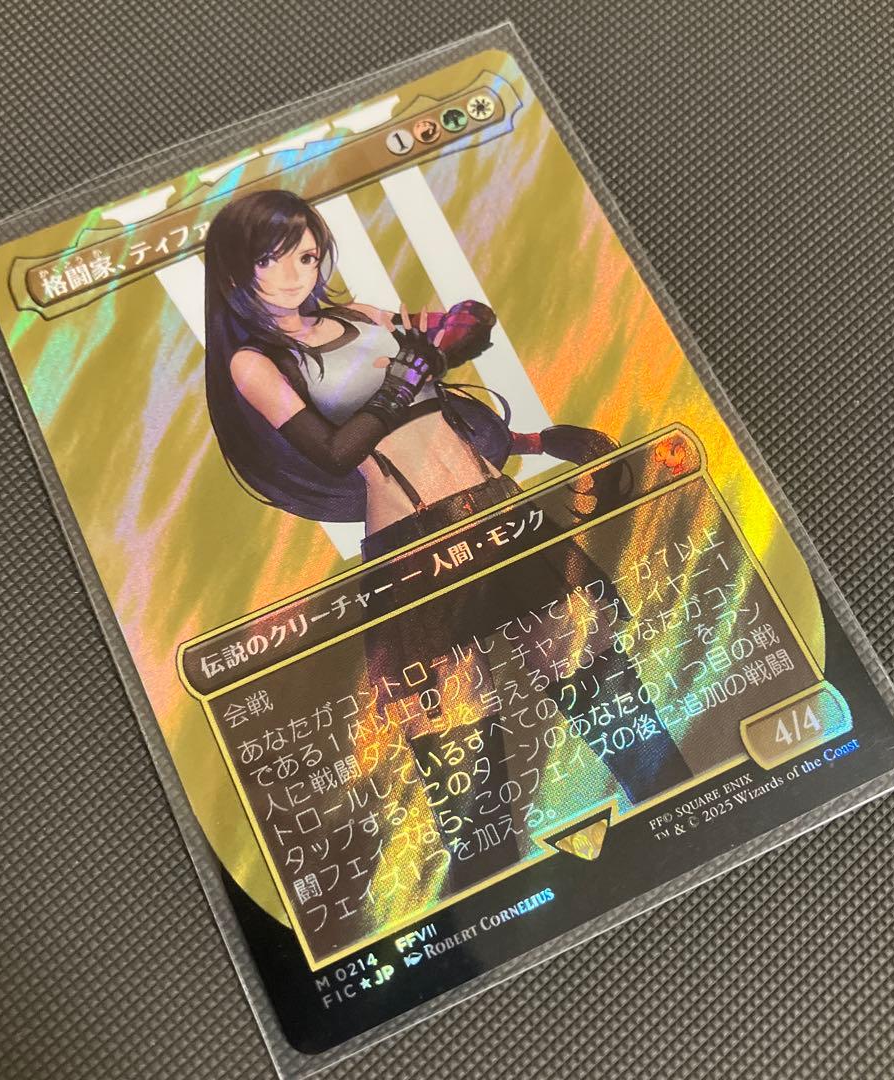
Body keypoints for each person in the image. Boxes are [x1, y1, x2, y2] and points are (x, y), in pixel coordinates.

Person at [204, 189, 691, 899]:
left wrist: (528, 433)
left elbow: (462, 336)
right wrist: (406, 375)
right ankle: (501, 912)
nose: (293, 273)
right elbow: (335, 453)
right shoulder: (255, 363)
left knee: (608, 692)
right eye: (270, 257)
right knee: (464, 759)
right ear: (236, 266)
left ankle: (689, 828)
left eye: (306, 255)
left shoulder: (362, 317)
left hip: (496, 510)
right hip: (412, 547)